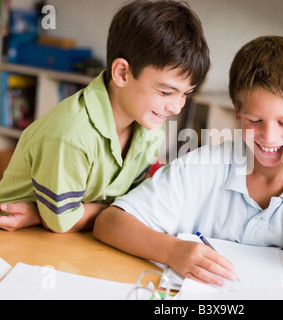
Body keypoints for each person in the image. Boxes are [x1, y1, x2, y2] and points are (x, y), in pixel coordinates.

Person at [93, 36, 283, 289]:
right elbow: (110, 223)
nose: (269, 136)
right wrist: (172, 250)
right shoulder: (201, 167)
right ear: (237, 111)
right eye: (254, 121)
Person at [0, 0, 210, 233]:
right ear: (122, 73)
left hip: (69, 238)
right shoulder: (72, 136)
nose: (177, 107)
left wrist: (39, 214)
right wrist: (116, 210)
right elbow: (61, 222)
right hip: (15, 237)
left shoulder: (150, 129)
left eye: (186, 94)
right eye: (166, 92)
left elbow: (135, 203)